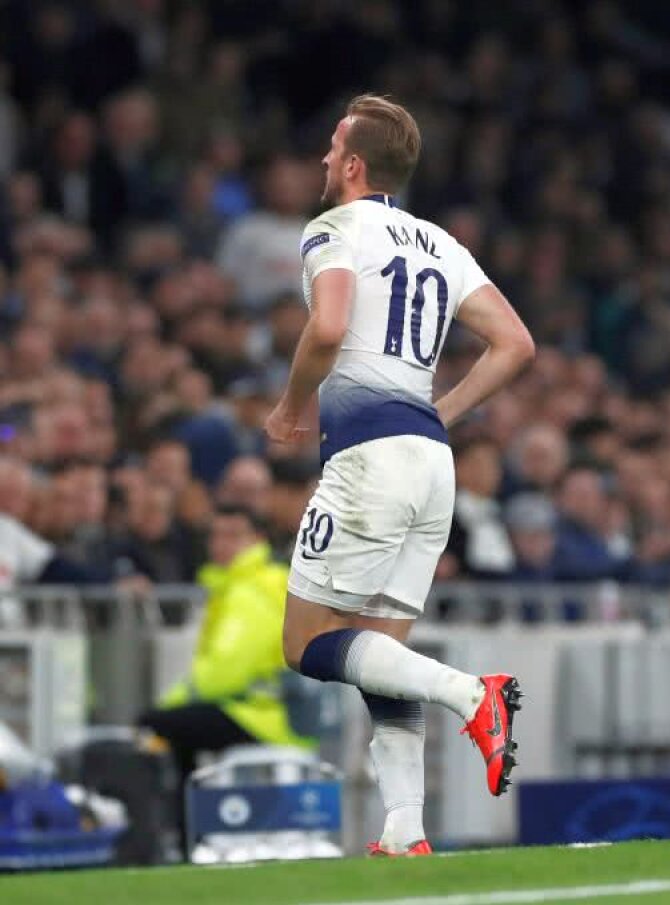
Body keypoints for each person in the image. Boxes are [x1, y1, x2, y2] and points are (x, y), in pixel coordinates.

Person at [265, 95, 535, 858]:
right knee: (383, 655)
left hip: (367, 460)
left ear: (354, 165)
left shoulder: (333, 228)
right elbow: (516, 343)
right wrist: (441, 413)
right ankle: (405, 827)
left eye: (332, 147)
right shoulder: (441, 242)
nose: (323, 158)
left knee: (304, 643)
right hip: (430, 462)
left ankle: (471, 693)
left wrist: (291, 404)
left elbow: (328, 326)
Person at [139, 506, 313, 849]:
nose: (221, 544)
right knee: (178, 729)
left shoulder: (251, 591)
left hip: (262, 715)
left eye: (233, 535)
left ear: (258, 540)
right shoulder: (261, 583)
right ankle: (193, 832)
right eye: (216, 536)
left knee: (157, 724)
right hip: (280, 713)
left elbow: (224, 672)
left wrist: (171, 702)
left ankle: (188, 837)